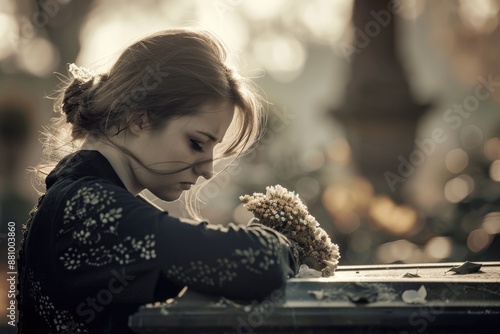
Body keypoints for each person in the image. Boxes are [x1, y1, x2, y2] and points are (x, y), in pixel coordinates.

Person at [17, 28, 300, 333]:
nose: (207, 170)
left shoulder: (82, 197)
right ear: (139, 119)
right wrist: (286, 238)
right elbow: (260, 263)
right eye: (196, 143)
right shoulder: (89, 208)